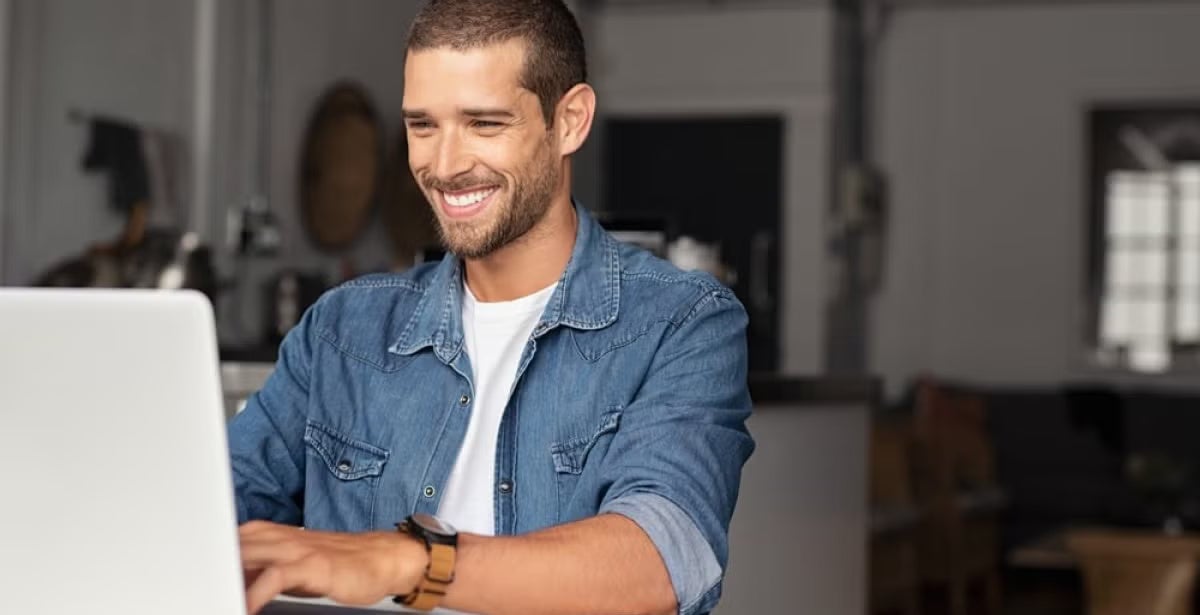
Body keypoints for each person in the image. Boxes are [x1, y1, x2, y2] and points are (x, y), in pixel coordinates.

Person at [229, 1, 754, 614]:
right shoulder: (341, 330)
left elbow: (656, 563)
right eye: (422, 126)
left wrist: (408, 561)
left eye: (484, 124)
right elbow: (210, 514)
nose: (445, 165)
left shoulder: (682, 323)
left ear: (571, 121)